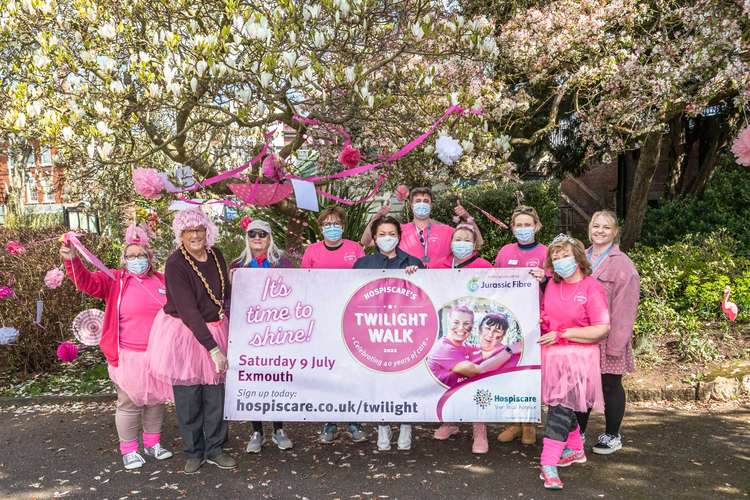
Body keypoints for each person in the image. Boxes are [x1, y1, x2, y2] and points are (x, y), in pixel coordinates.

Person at [60, 225, 173, 470]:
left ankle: (153, 444)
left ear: (150, 258)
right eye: (131, 256)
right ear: (124, 259)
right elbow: (87, 283)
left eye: (141, 255)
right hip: (128, 355)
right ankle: (129, 450)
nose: (136, 260)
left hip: (158, 353)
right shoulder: (115, 280)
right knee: (129, 402)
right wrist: (72, 261)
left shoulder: (162, 281)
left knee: (156, 401)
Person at [145, 209, 236, 474]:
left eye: (199, 229)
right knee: (188, 397)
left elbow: (225, 293)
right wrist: (214, 349)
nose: (195, 235)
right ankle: (194, 452)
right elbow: (188, 311)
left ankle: (216, 449)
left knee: (216, 396)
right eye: (188, 231)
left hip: (216, 327)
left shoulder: (217, 255)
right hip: (185, 334)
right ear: (180, 235)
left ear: (207, 231)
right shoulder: (175, 264)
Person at [537, 235, 610, 490]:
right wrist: (542, 323)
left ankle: (548, 463)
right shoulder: (553, 286)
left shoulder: (592, 287)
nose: (560, 262)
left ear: (578, 258)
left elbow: (601, 328)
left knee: (559, 407)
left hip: (579, 359)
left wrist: (563, 333)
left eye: (564, 256)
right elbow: (548, 318)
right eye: (555, 258)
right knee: (563, 406)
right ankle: (576, 450)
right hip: (553, 357)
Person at [353, 215, 422, 451]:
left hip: (405, 333)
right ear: (374, 237)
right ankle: (382, 425)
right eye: (382, 234)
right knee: (378, 380)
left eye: (391, 234)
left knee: (404, 378)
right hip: (372, 332)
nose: (387, 238)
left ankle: (405, 424)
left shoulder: (413, 262)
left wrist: (418, 276)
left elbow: (426, 295)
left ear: (399, 237)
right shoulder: (362, 265)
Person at [301, 206, 368, 445]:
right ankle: (329, 422)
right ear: (321, 227)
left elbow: (366, 281)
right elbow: (304, 284)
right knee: (327, 370)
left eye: (336, 224)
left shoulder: (355, 249)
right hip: (323, 318)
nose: (332, 228)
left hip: (352, 317)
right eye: (327, 224)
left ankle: (354, 421)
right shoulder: (312, 251)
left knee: (352, 368)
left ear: (343, 226)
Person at [575, 210, 640, 455]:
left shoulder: (622, 264)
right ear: (589, 229)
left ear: (615, 233)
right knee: (581, 386)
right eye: (596, 226)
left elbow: (626, 308)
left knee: (610, 385)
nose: (600, 231)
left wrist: (616, 344)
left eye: (606, 227)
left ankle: (612, 435)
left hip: (609, 337)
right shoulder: (581, 257)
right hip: (582, 336)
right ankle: (577, 433)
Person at [229, 219, 294, 453]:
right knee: (253, 380)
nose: (257, 238)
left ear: (269, 237)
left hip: (277, 330)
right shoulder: (237, 265)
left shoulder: (282, 263)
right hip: (249, 332)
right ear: (247, 237)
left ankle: (278, 429)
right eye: (252, 233)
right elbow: (230, 299)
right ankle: (256, 431)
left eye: (262, 234)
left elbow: (295, 293)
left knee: (277, 379)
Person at [432, 311, 520, 453]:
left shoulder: (507, 352)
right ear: (479, 330)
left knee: (478, 388)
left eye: (497, 331)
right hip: (456, 395)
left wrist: (511, 350)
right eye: (487, 328)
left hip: (493, 397)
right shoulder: (469, 349)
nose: (490, 334)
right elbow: (476, 369)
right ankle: (450, 423)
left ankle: (480, 430)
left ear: (503, 336)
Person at [495, 205, 547, 445]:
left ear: (536, 226)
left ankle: (530, 424)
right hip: (510, 321)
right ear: (512, 228)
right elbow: (494, 283)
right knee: (510, 371)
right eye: (519, 225)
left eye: (528, 225)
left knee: (531, 372)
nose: (523, 229)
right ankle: (514, 422)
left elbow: (557, 285)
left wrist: (544, 278)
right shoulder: (505, 252)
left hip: (536, 322)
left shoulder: (546, 252)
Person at [360, 187, 481, 268]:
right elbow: (365, 241)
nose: (422, 204)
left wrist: (467, 216)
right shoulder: (399, 230)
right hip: (409, 285)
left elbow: (478, 243)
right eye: (418, 201)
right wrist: (378, 216)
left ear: (431, 205)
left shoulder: (446, 230)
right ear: (411, 205)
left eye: (426, 201)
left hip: (440, 284)